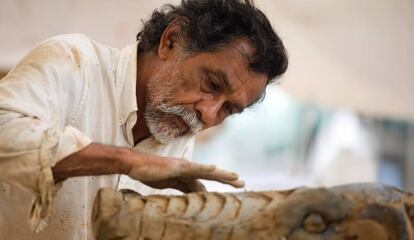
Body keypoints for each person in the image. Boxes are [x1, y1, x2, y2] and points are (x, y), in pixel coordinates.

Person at [0, 0, 288, 239]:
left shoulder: (178, 131)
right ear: (171, 41)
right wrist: (128, 161)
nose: (209, 114)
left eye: (228, 109)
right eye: (211, 84)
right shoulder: (74, 62)